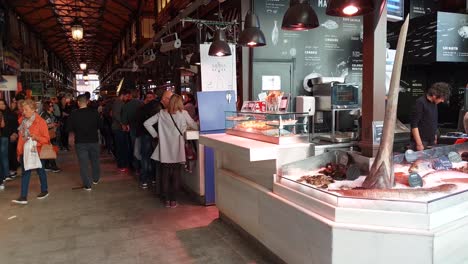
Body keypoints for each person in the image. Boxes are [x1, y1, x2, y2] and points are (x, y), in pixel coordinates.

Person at [144, 94, 198, 208]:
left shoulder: (162, 113)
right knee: (176, 175)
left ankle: (167, 200)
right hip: (178, 149)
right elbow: (194, 126)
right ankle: (173, 200)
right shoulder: (183, 114)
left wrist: (156, 135)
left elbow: (146, 123)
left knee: (165, 174)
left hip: (164, 150)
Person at [12, 99, 50, 205]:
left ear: (33, 110)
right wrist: (19, 152)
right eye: (23, 109)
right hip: (25, 151)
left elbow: (46, 139)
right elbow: (21, 139)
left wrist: (36, 137)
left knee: (40, 170)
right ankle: (23, 197)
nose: (24, 112)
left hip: (37, 151)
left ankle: (44, 190)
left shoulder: (41, 122)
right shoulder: (22, 121)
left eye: (26, 109)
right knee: (25, 172)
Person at [68, 94, 102, 190]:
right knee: (95, 161)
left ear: (78, 103)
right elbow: (100, 125)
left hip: (80, 142)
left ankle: (87, 185)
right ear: (87, 102)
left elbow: (68, 128)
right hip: (94, 141)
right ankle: (95, 179)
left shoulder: (74, 114)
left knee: (83, 163)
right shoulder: (95, 113)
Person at [410, 82, 451, 151]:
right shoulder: (420, 102)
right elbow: (414, 125)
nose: (442, 100)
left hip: (431, 141)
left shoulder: (434, 103)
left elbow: (433, 120)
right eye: (441, 98)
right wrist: (419, 144)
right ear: (434, 95)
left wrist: (434, 135)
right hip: (421, 141)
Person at [0, 99, 19, 184]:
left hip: (7, 137)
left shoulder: (10, 114)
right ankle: (5, 174)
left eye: (2, 104)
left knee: (5, 155)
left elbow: (15, 125)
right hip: (4, 137)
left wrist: (15, 133)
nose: (1, 105)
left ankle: (7, 174)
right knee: (4, 155)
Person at [40, 100, 61, 173]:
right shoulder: (43, 114)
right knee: (51, 150)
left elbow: (54, 122)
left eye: (52, 105)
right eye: (51, 106)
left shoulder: (51, 114)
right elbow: (40, 125)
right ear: (47, 107)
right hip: (46, 135)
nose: (53, 107)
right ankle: (53, 166)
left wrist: (55, 125)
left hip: (52, 134)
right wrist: (50, 125)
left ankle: (47, 165)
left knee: (51, 149)